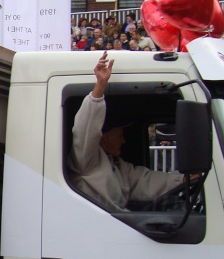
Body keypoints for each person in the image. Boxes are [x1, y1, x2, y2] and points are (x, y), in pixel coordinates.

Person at [69, 52, 185, 211]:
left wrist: (183, 180)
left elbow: (144, 181)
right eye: (120, 135)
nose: (124, 141)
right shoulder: (86, 160)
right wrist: (99, 87)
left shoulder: (118, 165)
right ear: (104, 136)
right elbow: (85, 127)